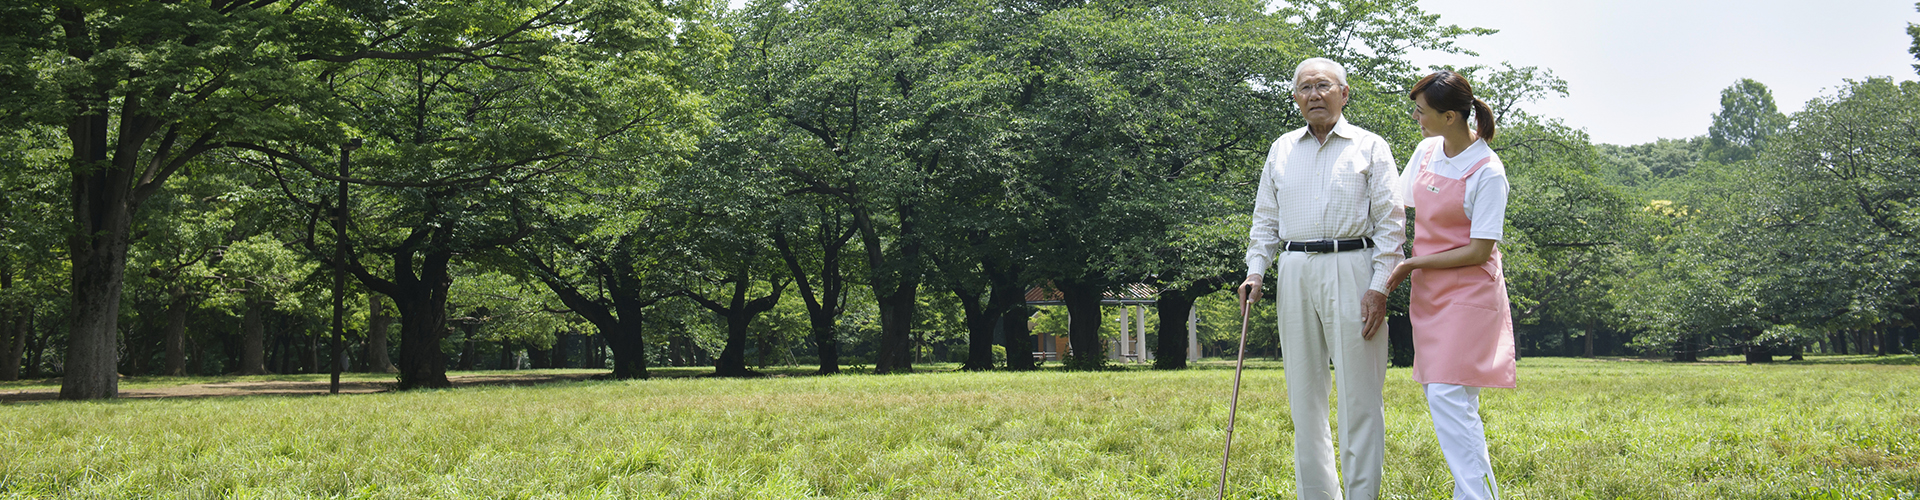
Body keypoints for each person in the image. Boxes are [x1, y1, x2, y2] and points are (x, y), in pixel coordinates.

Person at [1240, 57, 1405, 500]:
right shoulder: (1281, 148)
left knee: (1360, 395)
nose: (1315, 94)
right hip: (1294, 269)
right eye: (1305, 87)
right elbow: (1265, 219)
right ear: (1295, 98)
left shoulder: (1370, 146)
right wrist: (1256, 270)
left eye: (1324, 85)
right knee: (1304, 394)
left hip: (1352, 267)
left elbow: (1391, 225)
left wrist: (1379, 286)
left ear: (1344, 93)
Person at [1381, 70, 1517, 500]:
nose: (1417, 119)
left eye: (1423, 112)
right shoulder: (1425, 151)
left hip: (1469, 292)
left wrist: (1411, 264)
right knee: (1456, 403)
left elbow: (1480, 250)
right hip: (1432, 293)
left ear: (1452, 116)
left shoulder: (1488, 172)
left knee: (1447, 396)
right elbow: (1397, 207)